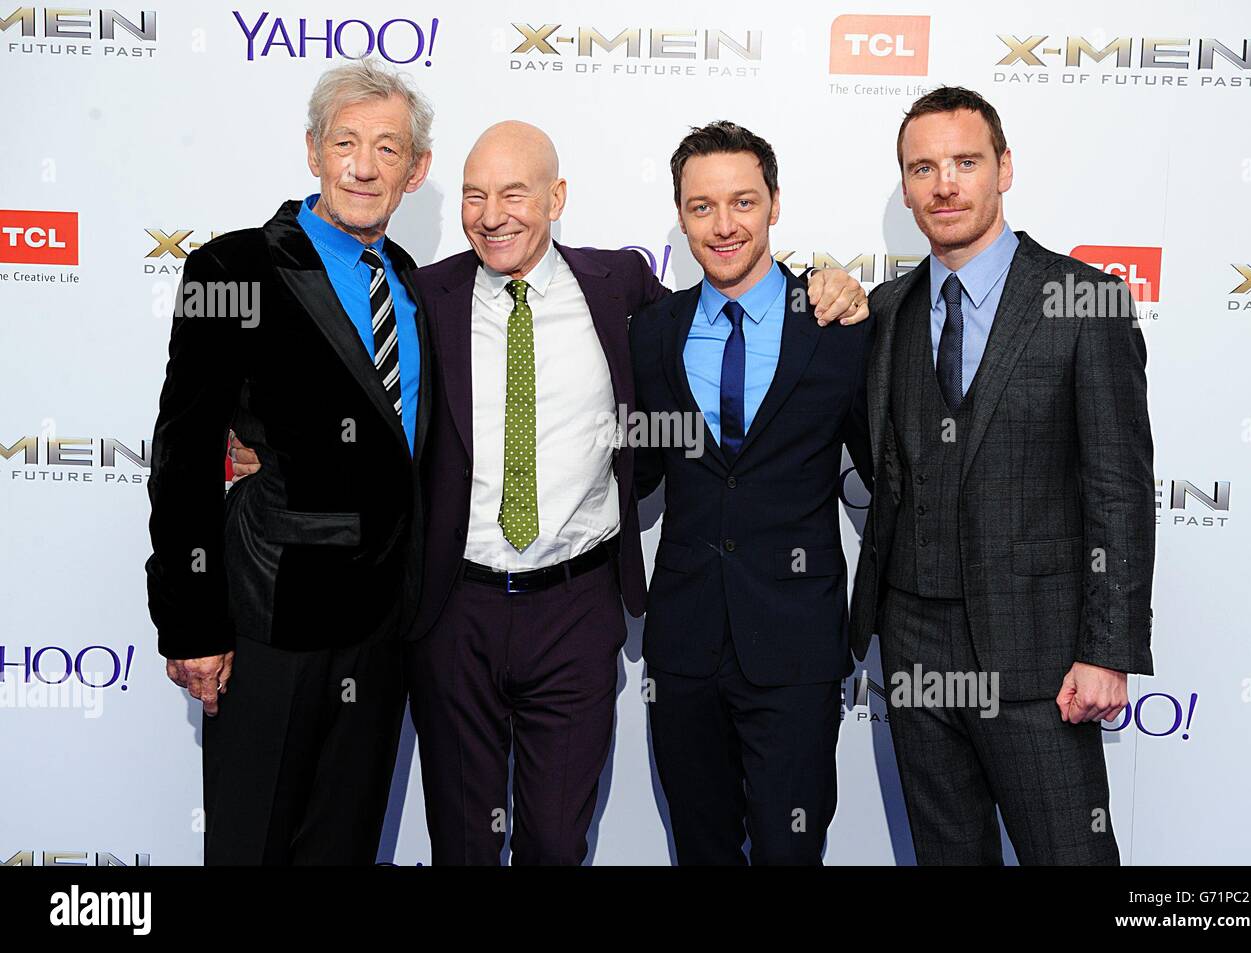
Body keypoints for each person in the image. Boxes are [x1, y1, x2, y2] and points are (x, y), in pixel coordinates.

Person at [235, 120, 870, 864]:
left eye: (514, 192)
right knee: (464, 842)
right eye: (474, 195)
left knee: (557, 841)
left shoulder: (622, 292)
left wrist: (831, 276)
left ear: (556, 197)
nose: (492, 213)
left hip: (578, 609)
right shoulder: (423, 295)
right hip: (454, 612)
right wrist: (274, 447)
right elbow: (349, 378)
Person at [848, 86, 1156, 864]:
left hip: (1041, 656)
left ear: (1004, 169)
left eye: (964, 162)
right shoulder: (885, 311)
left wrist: (1107, 648)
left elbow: (1118, 486)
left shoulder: (1082, 301)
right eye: (923, 168)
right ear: (908, 187)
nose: (944, 184)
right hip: (913, 646)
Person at [145, 58, 434, 864]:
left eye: (388, 146)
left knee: (342, 848)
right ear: (313, 151)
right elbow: (183, 453)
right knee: (252, 845)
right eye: (346, 142)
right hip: (271, 620)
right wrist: (192, 619)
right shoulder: (232, 268)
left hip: (382, 635)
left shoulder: (411, 284)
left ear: (417, 168)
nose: (364, 165)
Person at [630, 122, 872, 864]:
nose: (724, 224)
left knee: (789, 850)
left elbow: (894, 477)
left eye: (742, 202)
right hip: (683, 647)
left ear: (774, 204)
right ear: (680, 215)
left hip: (796, 648)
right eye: (702, 207)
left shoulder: (839, 324)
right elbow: (627, 469)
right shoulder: (651, 332)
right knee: (700, 848)